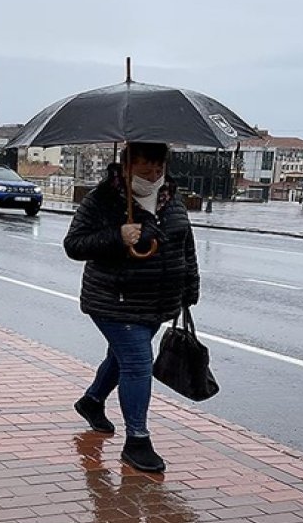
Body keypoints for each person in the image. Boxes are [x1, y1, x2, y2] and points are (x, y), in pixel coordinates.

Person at [63, 142, 200, 473]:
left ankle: (92, 402)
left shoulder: (171, 198)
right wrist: (117, 236)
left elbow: (186, 245)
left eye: (158, 170)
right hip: (114, 300)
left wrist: (190, 287)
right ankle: (137, 441)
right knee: (138, 363)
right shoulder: (103, 199)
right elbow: (74, 245)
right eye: (144, 171)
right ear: (125, 167)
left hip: (158, 301)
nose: (152, 177)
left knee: (119, 357)